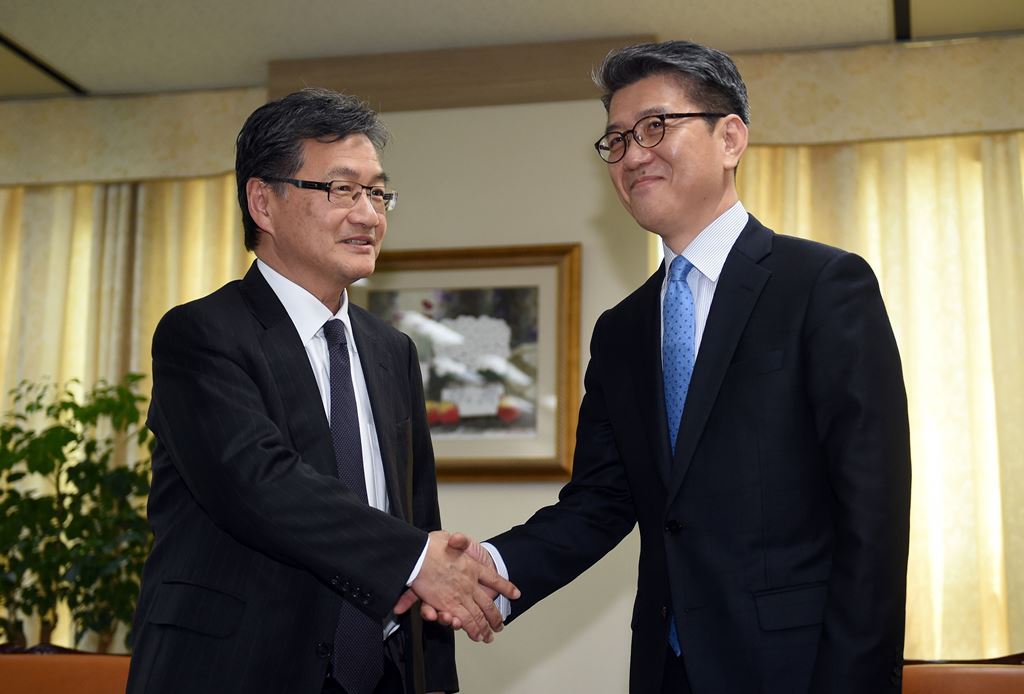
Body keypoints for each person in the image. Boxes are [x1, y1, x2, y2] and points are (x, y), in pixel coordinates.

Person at [425, 40, 912, 693]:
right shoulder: (622, 331)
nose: (633, 154)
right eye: (616, 140)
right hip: (665, 671)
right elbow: (599, 503)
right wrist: (490, 568)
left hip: (796, 671)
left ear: (730, 137)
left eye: (656, 126)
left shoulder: (823, 286)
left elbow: (873, 515)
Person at [126, 88, 518, 694]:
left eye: (377, 192)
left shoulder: (392, 351)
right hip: (238, 672)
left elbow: (415, 514)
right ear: (263, 201)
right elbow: (259, 484)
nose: (368, 214)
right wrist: (417, 560)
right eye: (341, 190)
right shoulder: (201, 335)